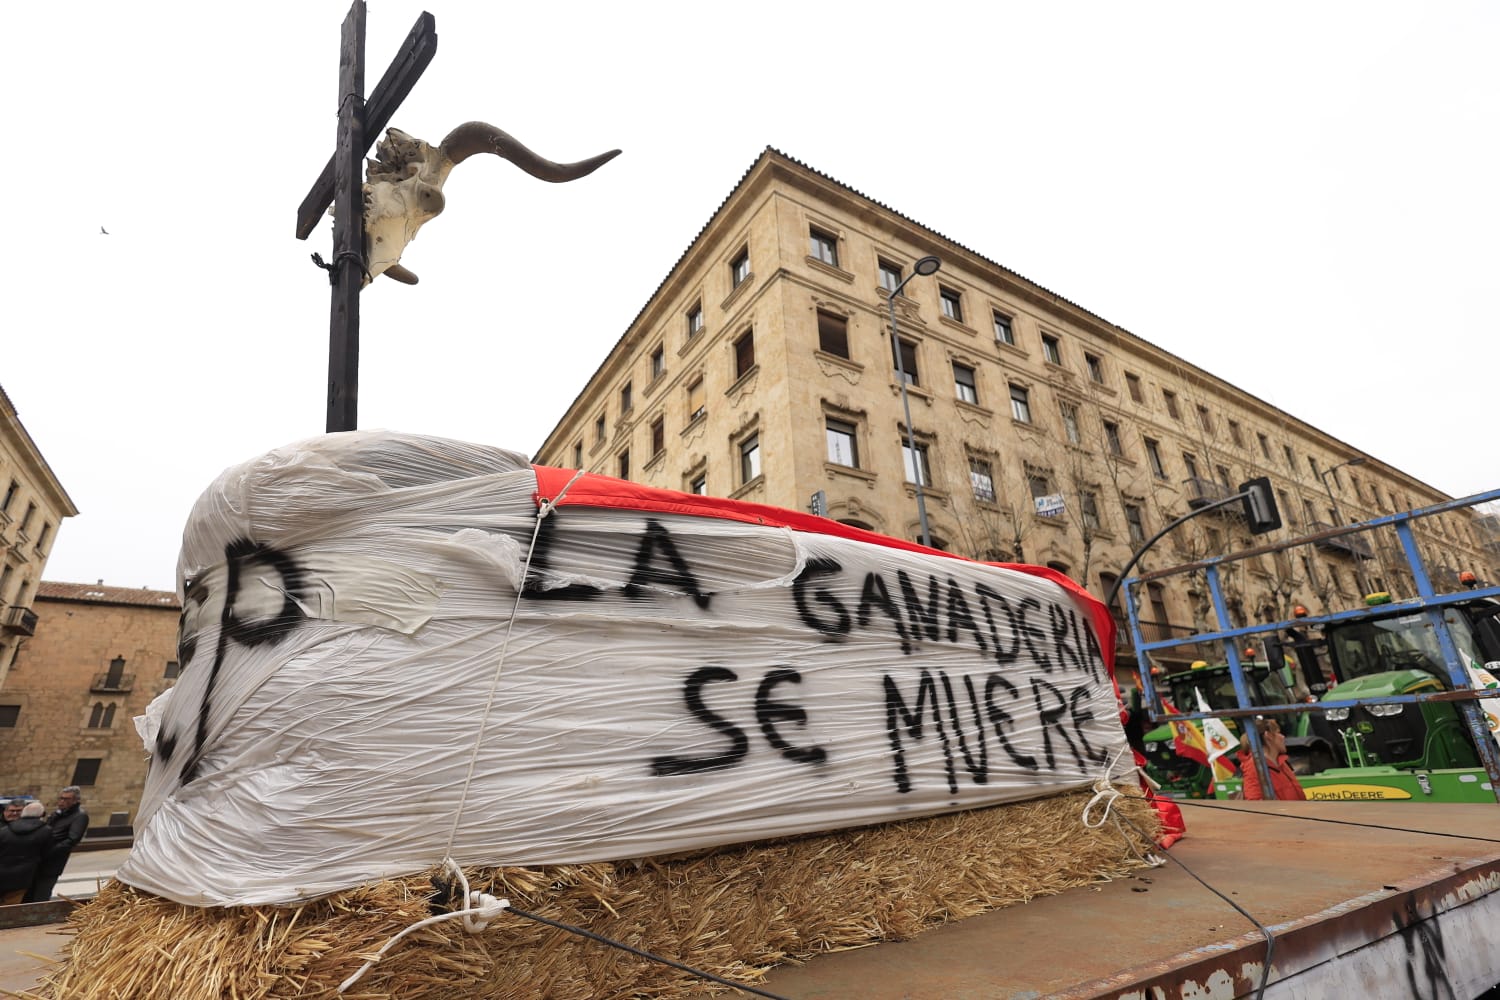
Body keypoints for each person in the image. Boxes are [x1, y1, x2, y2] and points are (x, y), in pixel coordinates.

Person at [24, 787, 89, 903]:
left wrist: (50, 851)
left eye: (66, 799)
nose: (62, 802)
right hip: (38, 859)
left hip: (52, 861)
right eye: (61, 798)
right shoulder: (57, 814)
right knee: (29, 892)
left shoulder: (80, 816)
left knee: (41, 894)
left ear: (75, 801)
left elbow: (72, 839)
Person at [1238, 718, 1307, 801]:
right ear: (1268, 736)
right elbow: (1255, 804)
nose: (1283, 736)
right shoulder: (1255, 766)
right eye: (1278, 733)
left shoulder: (1281, 763)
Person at [1, 802, 54, 905]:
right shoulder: (46, 831)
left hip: (2, 873)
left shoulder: (5, 830)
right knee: (11, 906)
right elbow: (48, 854)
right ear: (41, 814)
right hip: (23, 877)